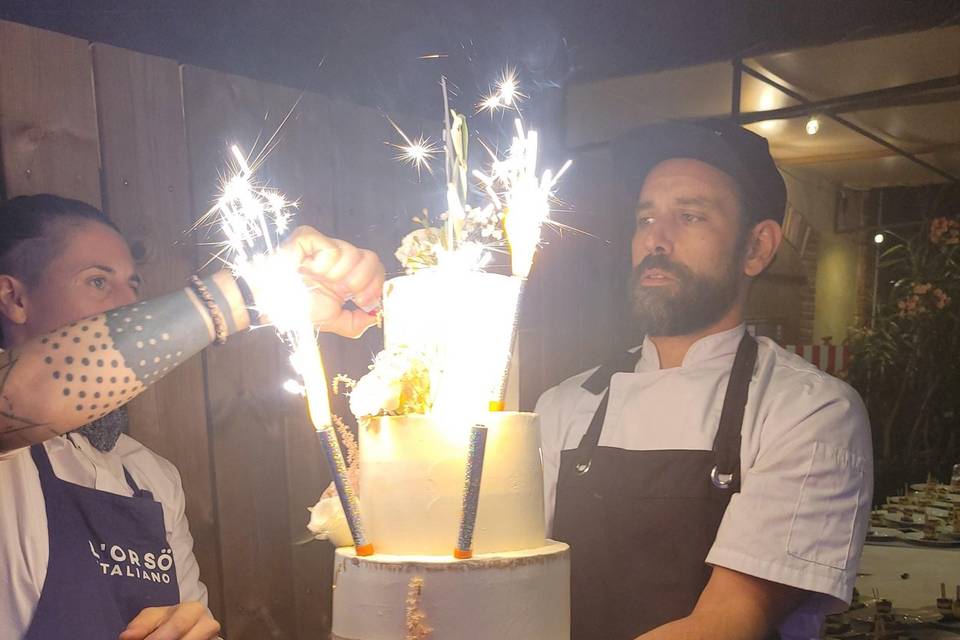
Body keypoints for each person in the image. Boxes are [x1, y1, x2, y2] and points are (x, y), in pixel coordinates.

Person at [535, 121, 873, 640]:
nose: (656, 239)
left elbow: (730, 619)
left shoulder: (808, 410)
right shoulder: (563, 405)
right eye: (644, 218)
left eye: (689, 216)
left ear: (757, 248)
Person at [0, 194, 384, 639]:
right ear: (14, 298)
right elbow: (29, 394)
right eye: (98, 282)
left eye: (134, 285)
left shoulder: (149, 476)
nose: (127, 302)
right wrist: (252, 291)